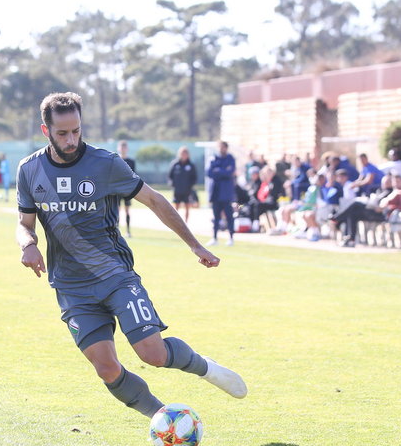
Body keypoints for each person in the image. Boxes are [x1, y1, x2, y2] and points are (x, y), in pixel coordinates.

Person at [16, 92, 246, 423]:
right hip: (71, 286)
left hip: (115, 276)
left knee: (153, 354)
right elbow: (24, 223)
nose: (71, 139)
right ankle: (164, 420)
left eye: (77, 131)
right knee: (107, 368)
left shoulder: (105, 163)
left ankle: (206, 368)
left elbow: (153, 200)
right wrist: (28, 244)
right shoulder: (30, 169)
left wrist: (194, 245)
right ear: (45, 130)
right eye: (63, 133)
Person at [207, 141, 236, 246]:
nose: (221, 149)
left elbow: (230, 173)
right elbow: (209, 173)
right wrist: (222, 171)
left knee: (229, 216)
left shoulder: (230, 159)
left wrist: (218, 171)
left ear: (226, 148)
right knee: (215, 217)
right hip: (215, 193)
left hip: (226, 193)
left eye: (223, 147)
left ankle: (231, 238)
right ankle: (214, 238)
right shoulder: (213, 158)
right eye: (219, 147)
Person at [168, 146, 197, 222]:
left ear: (188, 154)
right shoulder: (175, 164)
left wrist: (190, 186)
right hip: (177, 190)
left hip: (187, 190)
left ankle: (186, 223)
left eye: (185, 153)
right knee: (176, 207)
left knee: (187, 207)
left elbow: (194, 177)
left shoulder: (191, 165)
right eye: (182, 153)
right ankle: (175, 222)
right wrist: (173, 185)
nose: (184, 155)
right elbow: (170, 176)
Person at [117, 140, 136, 237]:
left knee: (127, 210)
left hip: (127, 191)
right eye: (121, 147)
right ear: (118, 148)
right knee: (117, 211)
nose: (123, 149)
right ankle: (117, 231)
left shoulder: (131, 162)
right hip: (117, 191)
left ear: (127, 149)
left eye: (125, 147)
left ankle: (128, 231)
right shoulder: (115, 160)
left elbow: (134, 176)